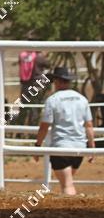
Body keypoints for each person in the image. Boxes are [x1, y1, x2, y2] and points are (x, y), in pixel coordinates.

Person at [34, 66, 95, 195]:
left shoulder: (52, 100)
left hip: (61, 147)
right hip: (79, 148)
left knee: (67, 185)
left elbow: (44, 126)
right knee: (68, 182)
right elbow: (89, 125)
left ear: (56, 81)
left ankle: (72, 206)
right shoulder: (82, 99)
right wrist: (92, 148)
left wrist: (37, 145)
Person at [17, 50, 50, 127]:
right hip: (36, 85)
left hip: (25, 86)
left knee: (23, 108)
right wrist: (45, 55)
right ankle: (32, 129)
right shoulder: (39, 57)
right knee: (34, 108)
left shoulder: (22, 56)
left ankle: (19, 129)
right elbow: (48, 64)